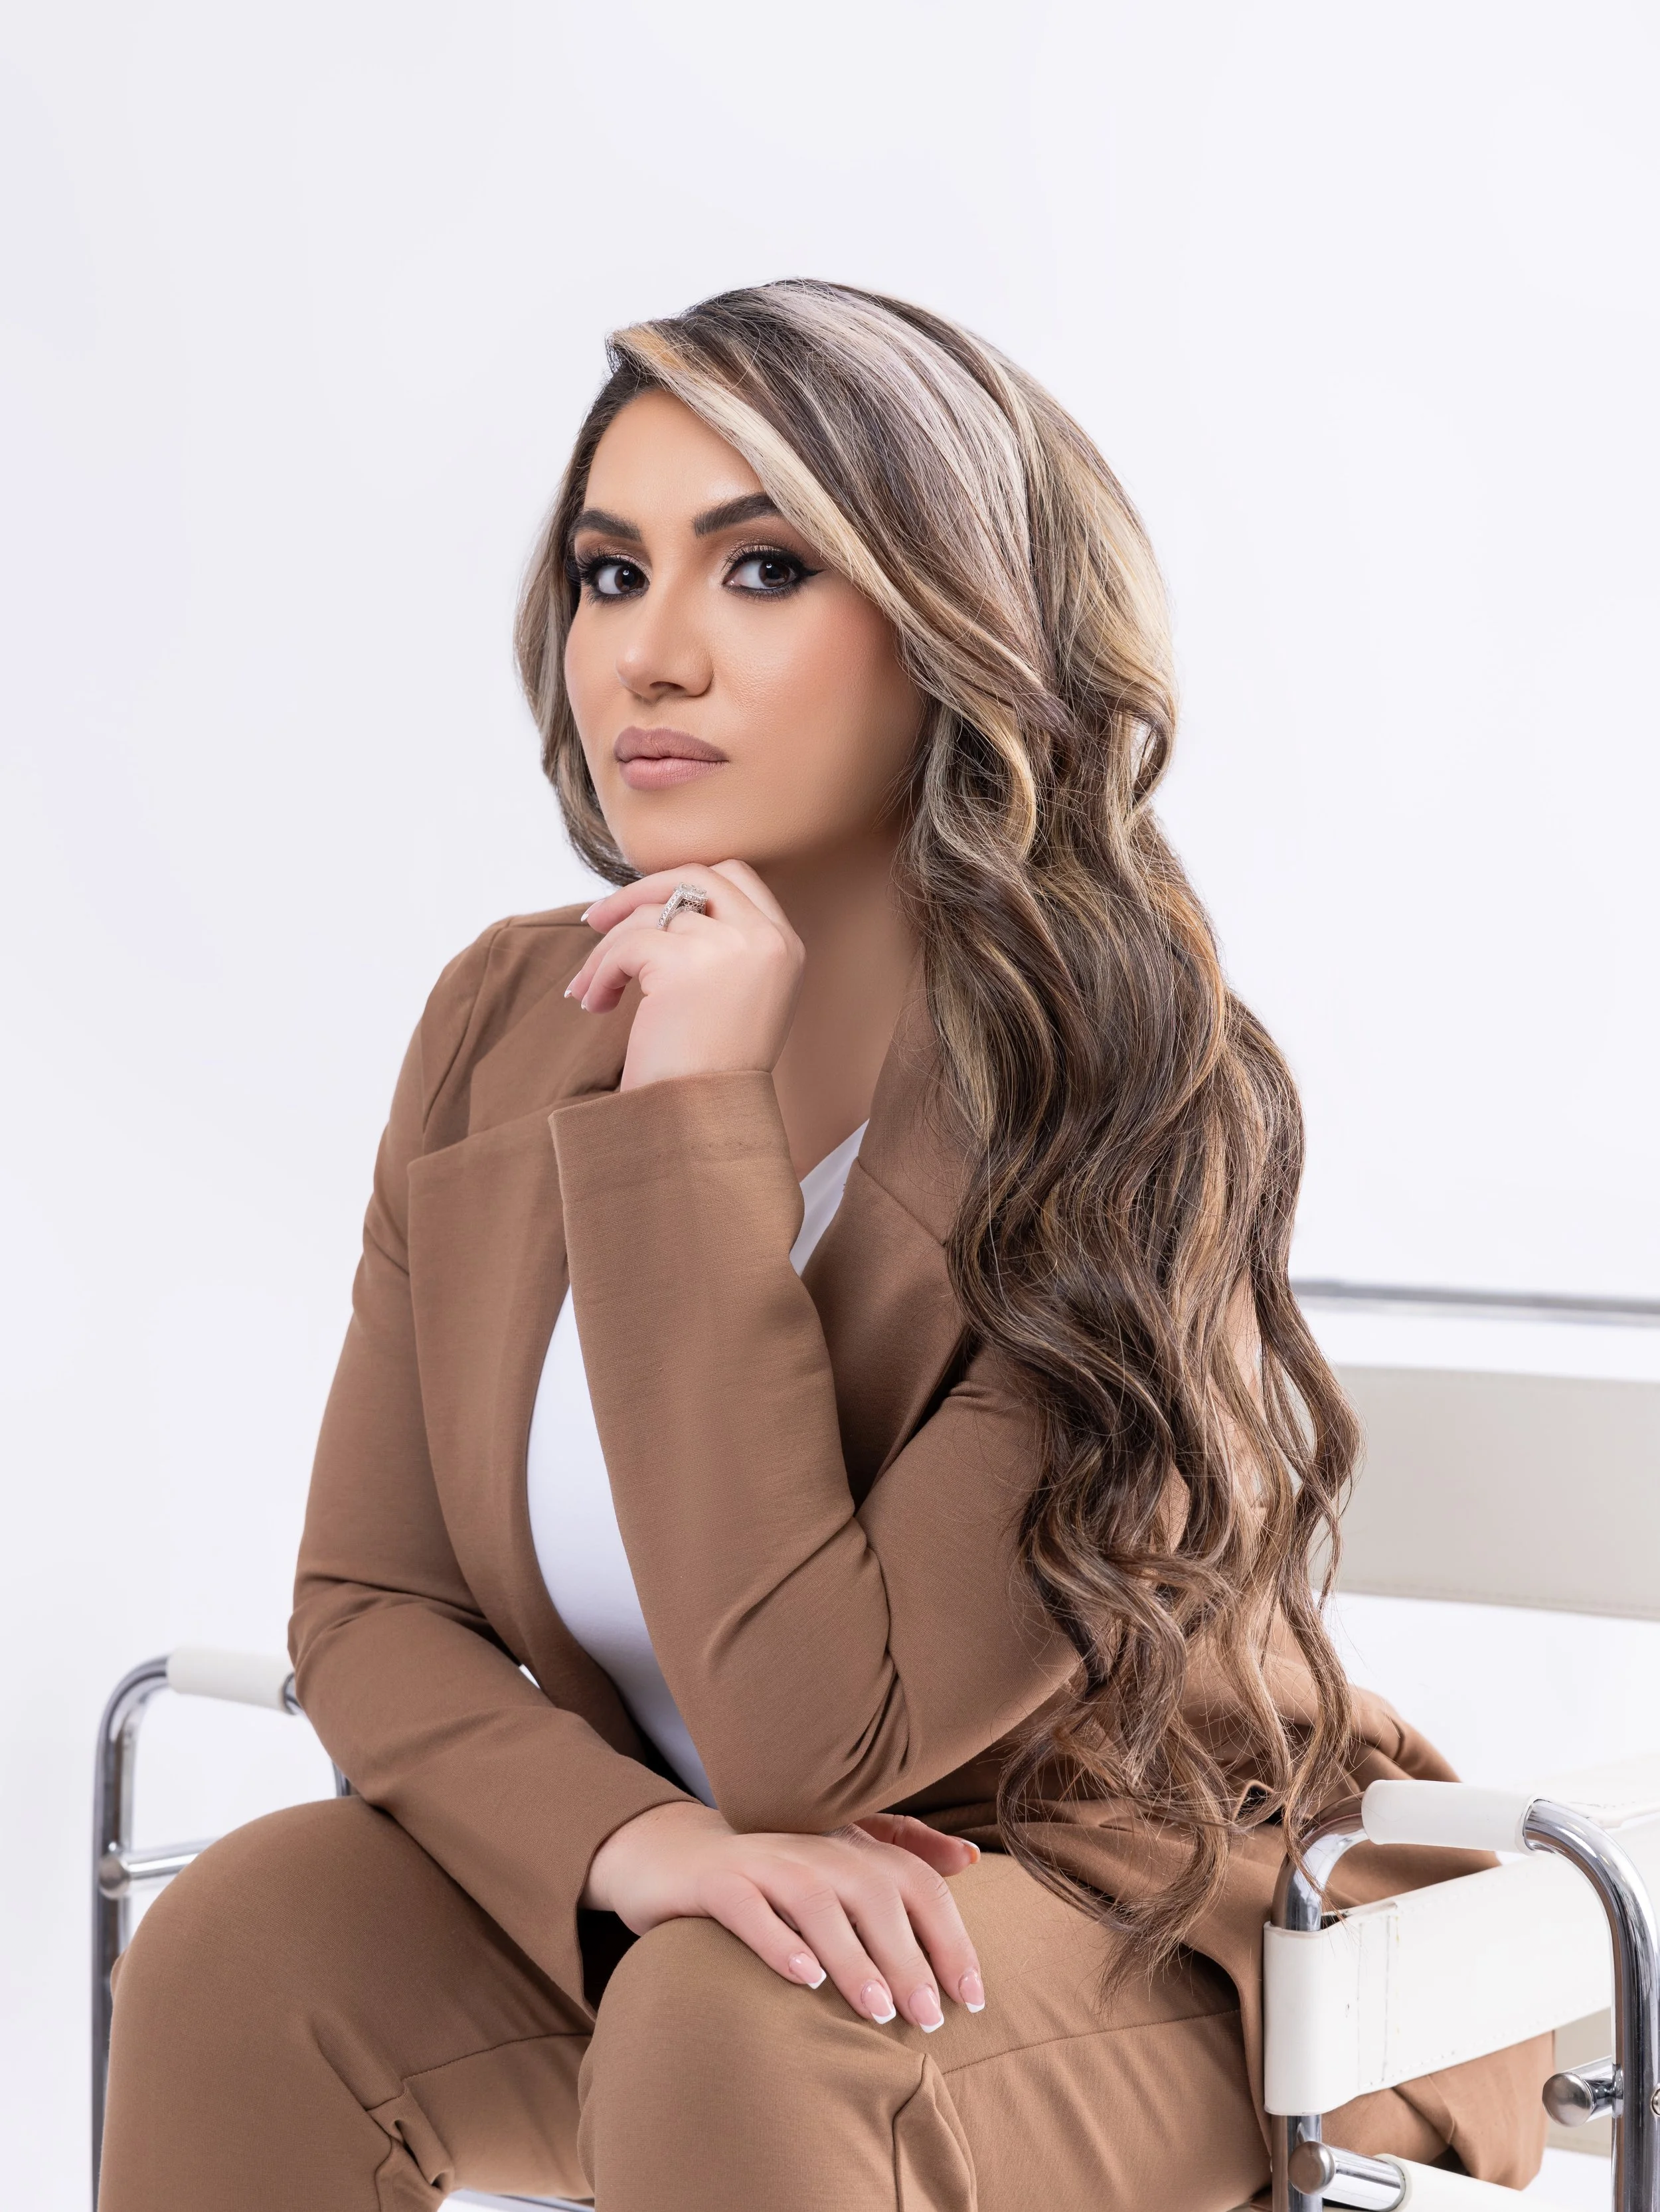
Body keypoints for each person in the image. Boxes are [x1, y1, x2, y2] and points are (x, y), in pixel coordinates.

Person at [98, 280, 1549, 2211]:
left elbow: (811, 1740)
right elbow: (368, 1604)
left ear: (953, 626)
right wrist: (630, 1845)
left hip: (1150, 1924)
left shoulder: (1123, 1097)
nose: (652, 655)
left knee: (742, 2006)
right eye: (609, 574)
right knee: (255, 1943)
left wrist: (685, 1124)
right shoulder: (501, 1018)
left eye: (762, 568)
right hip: (722, 1897)